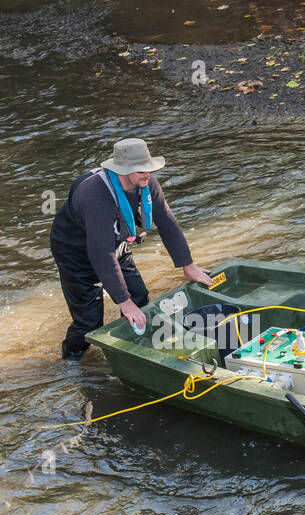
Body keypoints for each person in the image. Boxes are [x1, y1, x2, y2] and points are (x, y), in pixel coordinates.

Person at [49, 138, 212, 359]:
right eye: (140, 171)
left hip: (114, 244)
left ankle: (129, 350)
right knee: (89, 321)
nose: (147, 175)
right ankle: (71, 359)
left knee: (139, 296)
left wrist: (188, 265)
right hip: (75, 253)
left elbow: (167, 222)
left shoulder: (146, 182)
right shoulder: (95, 196)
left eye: (149, 169)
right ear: (122, 171)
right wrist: (123, 302)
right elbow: (100, 253)